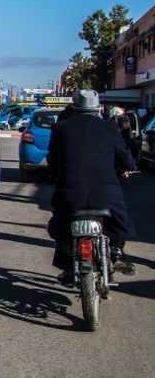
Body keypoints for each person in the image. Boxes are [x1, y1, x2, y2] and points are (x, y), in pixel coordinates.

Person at [47, 89, 137, 286]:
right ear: (98, 109)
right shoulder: (109, 128)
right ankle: (116, 252)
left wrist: (55, 173)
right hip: (105, 193)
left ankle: (69, 268)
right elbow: (124, 155)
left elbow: (52, 159)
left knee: (61, 225)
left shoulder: (61, 128)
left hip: (70, 193)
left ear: (75, 108)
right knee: (120, 218)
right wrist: (130, 166)